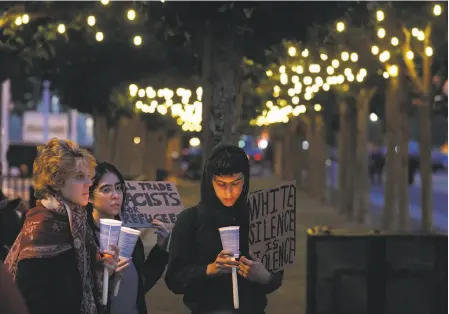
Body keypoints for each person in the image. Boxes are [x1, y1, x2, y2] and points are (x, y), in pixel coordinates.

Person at [4, 138, 120, 314]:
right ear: (56, 181)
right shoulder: (41, 229)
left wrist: (102, 270)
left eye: (89, 177)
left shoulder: (77, 223)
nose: (88, 184)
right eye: (79, 177)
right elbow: (33, 302)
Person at [165, 144, 284, 314]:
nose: (229, 192)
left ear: (246, 180)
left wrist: (263, 276)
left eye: (236, 183)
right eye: (221, 184)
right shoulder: (190, 220)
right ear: (210, 182)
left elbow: (276, 276)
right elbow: (174, 278)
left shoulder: (260, 220)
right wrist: (208, 270)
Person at [86, 161, 170, 314]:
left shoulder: (128, 235)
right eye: (106, 189)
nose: (116, 195)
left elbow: (141, 284)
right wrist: (108, 276)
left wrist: (161, 248)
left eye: (119, 188)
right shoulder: (84, 238)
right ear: (90, 196)